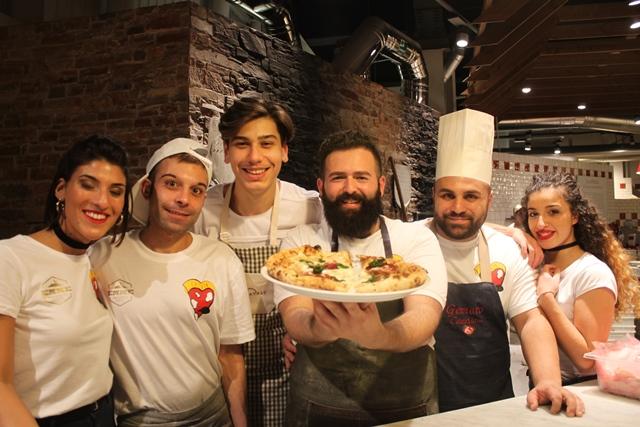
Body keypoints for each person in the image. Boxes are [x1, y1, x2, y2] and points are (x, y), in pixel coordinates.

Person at [274, 131, 448, 426]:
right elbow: (296, 318)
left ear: (380, 185)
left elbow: (424, 315)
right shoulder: (300, 246)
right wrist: (322, 328)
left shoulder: (415, 239)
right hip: (317, 406)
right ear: (321, 186)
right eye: (338, 177)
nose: (349, 188)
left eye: (361, 177)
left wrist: (379, 335)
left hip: (406, 406)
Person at [428, 108, 584, 416]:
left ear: (488, 197)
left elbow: (530, 321)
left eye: (470, 196)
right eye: (448, 195)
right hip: (422, 405)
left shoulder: (507, 250)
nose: (458, 207)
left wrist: (548, 381)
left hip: (493, 404)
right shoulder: (409, 241)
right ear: (434, 194)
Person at [90, 138, 255, 426]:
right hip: (137, 421)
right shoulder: (103, 255)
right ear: (147, 188)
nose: (183, 199)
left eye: (197, 190)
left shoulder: (221, 259)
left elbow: (230, 356)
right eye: (171, 184)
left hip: (212, 416)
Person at [194, 96, 322, 426]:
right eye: (242, 144)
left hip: (287, 370)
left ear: (284, 151)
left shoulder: (310, 208)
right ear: (226, 151)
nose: (254, 157)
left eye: (267, 144)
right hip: (215, 367)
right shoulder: (202, 209)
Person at [0, 135, 131, 427]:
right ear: (61, 189)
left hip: (103, 413)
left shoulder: (96, 257)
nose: (102, 201)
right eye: (88, 184)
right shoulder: (11, 258)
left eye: (116, 191)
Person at [521, 171, 640, 384]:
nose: (540, 224)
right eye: (533, 214)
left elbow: (587, 360)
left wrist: (547, 298)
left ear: (574, 216)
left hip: (579, 391)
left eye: (553, 212)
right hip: (541, 385)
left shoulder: (591, 273)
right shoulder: (535, 264)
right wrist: (514, 233)